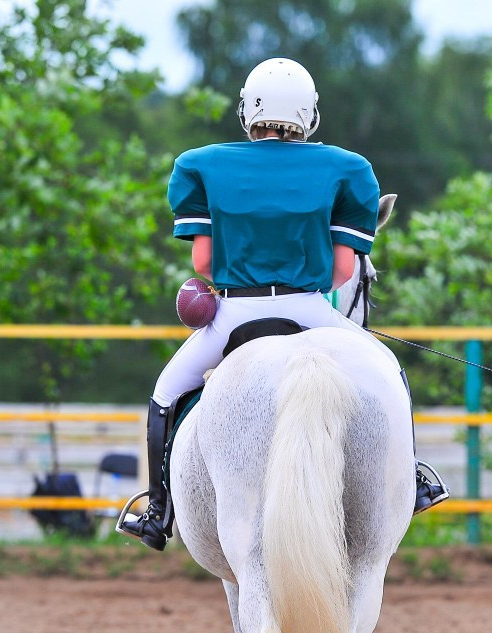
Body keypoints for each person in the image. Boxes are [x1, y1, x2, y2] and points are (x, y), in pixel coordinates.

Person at [118, 57, 448, 551]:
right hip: (311, 309)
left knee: (167, 392)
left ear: (247, 110)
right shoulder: (347, 168)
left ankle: (158, 510)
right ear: (309, 113)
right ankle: (415, 482)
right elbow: (341, 274)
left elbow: (204, 263)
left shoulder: (200, 165)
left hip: (234, 314)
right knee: (388, 371)